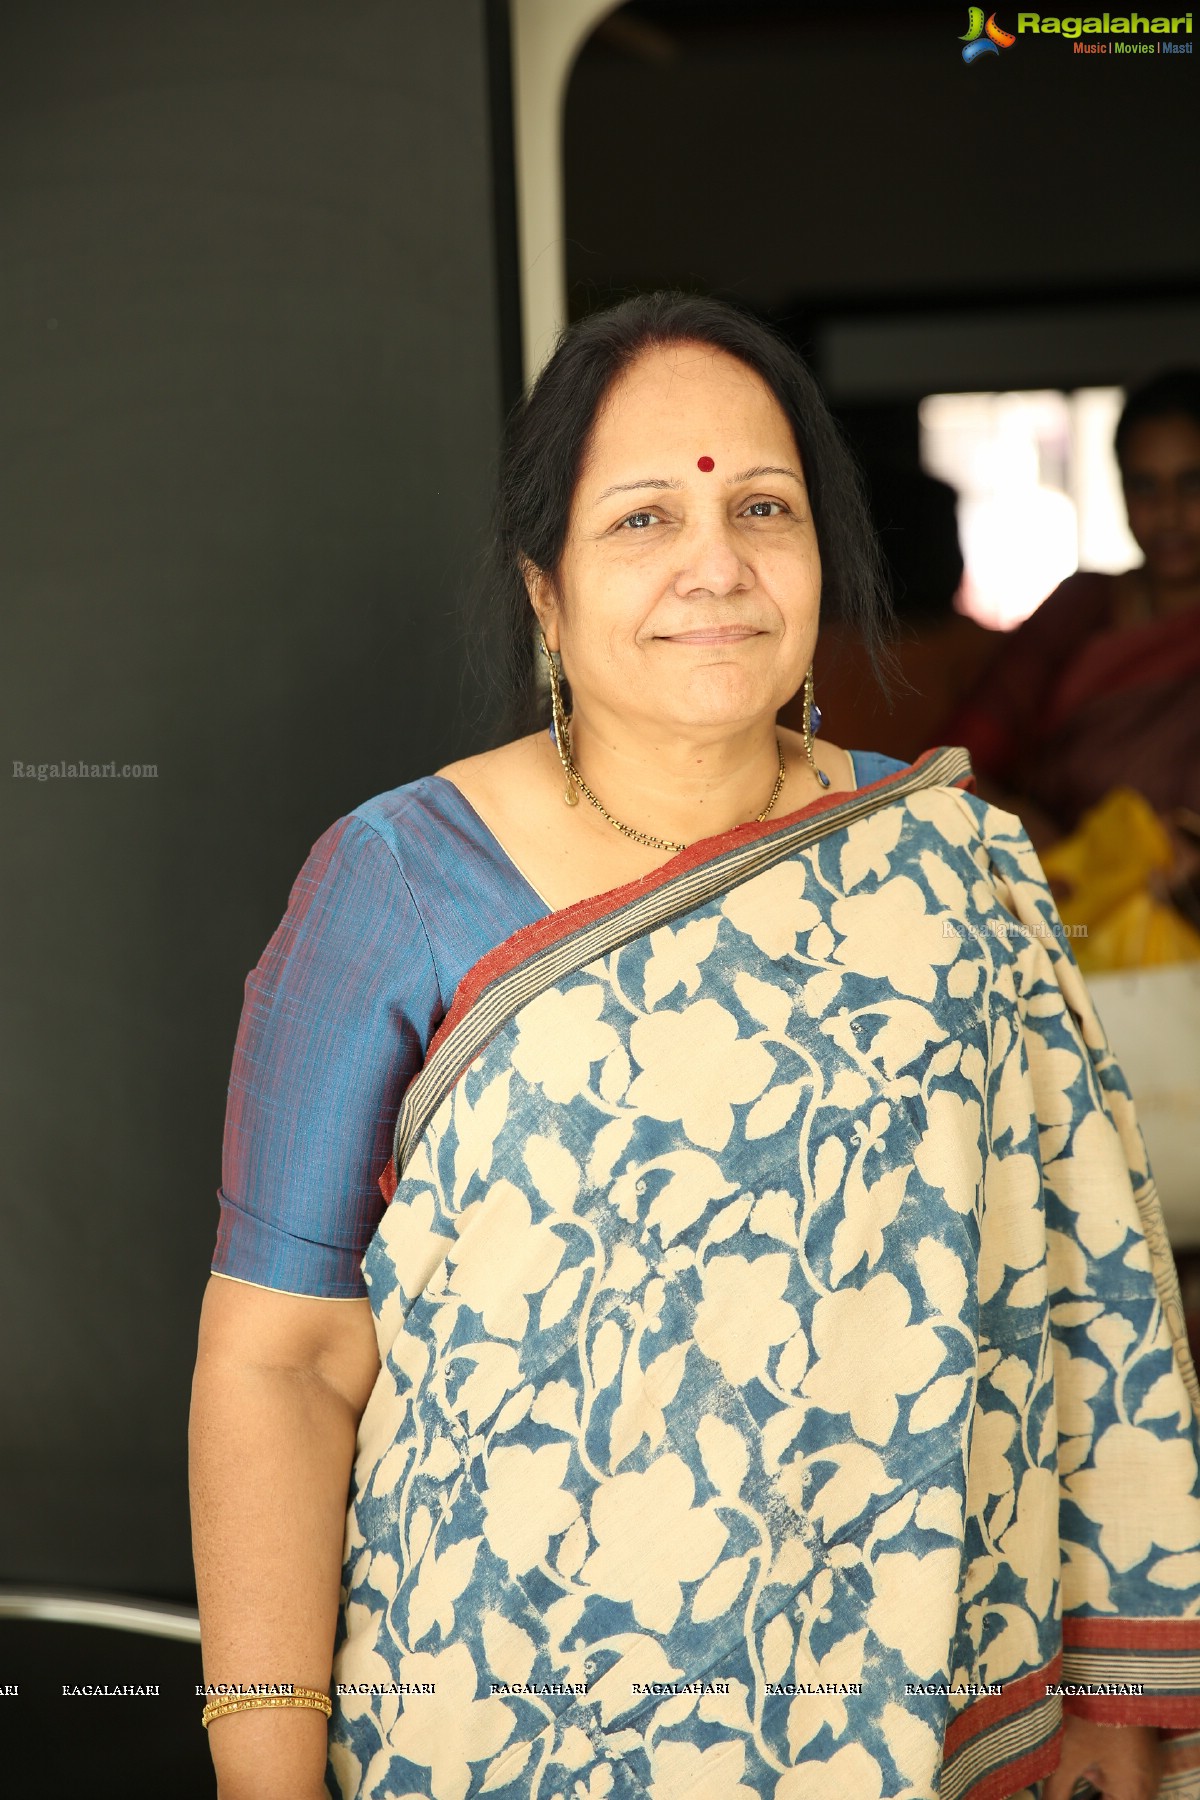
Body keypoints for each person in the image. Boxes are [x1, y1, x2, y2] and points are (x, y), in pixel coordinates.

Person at [189, 294, 1200, 1800]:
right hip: (499, 1735)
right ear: (545, 589)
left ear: (820, 559)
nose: (712, 565)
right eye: (643, 517)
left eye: (763, 508)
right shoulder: (399, 883)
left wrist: (1124, 1692)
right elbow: (283, 1356)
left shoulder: (954, 871)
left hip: (917, 1728)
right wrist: (265, 1774)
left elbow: (1092, 1295)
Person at [944, 369, 1200, 849]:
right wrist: (1044, 848)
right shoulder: (1078, 608)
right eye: (1145, 487)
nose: (1168, 512)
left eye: (1192, 484)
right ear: (1121, 490)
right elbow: (955, 763)